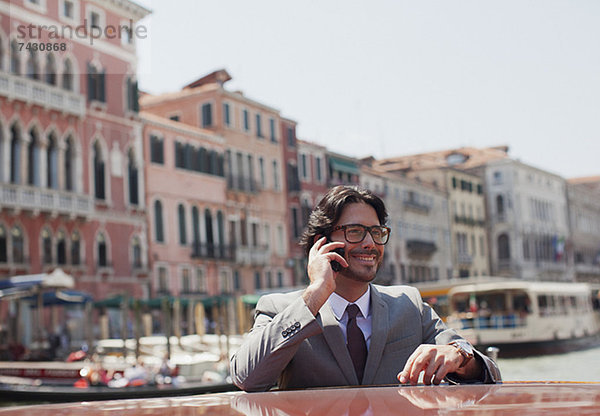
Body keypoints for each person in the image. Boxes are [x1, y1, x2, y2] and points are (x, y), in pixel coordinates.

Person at [231, 185, 501, 392]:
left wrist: (459, 355)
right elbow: (247, 377)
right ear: (321, 243)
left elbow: (490, 373)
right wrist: (316, 292)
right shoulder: (278, 308)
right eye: (355, 231)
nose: (370, 243)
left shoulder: (409, 304)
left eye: (376, 232)